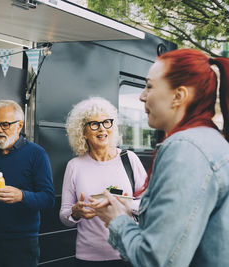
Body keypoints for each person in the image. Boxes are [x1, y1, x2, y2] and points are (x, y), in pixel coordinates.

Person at [91, 49, 229, 267]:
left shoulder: (185, 150)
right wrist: (129, 206)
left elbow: (157, 260)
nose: (142, 95)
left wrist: (117, 220)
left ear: (178, 96)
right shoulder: (209, 142)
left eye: (150, 86)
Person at [59, 97, 146, 267]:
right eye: (94, 124)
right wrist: (76, 213)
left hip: (127, 252)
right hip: (87, 257)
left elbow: (149, 203)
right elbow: (64, 215)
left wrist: (125, 205)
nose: (102, 129)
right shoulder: (74, 166)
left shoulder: (129, 159)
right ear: (83, 132)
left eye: (107, 122)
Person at [0, 100, 55, 267]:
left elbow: (48, 199)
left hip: (22, 242)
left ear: (20, 126)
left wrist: (21, 196)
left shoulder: (36, 154)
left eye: (5, 124)